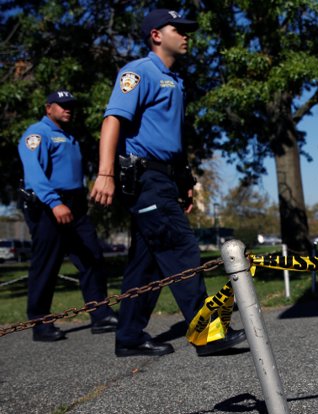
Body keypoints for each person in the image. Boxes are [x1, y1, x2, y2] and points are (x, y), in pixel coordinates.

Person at [90, 9, 246, 357]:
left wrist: (184, 179)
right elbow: (113, 119)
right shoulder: (138, 72)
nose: (187, 35)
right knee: (181, 248)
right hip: (144, 178)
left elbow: (169, 138)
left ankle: (128, 337)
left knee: (145, 264)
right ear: (156, 35)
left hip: (163, 177)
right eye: (180, 29)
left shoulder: (175, 80)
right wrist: (105, 173)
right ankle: (208, 334)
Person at [17, 89, 118, 342]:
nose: (67, 108)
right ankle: (41, 324)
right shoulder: (37, 134)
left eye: (70, 105)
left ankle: (100, 314)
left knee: (92, 257)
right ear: (47, 108)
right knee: (46, 266)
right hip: (49, 205)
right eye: (61, 105)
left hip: (75, 205)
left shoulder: (70, 136)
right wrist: (54, 203)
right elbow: (34, 174)